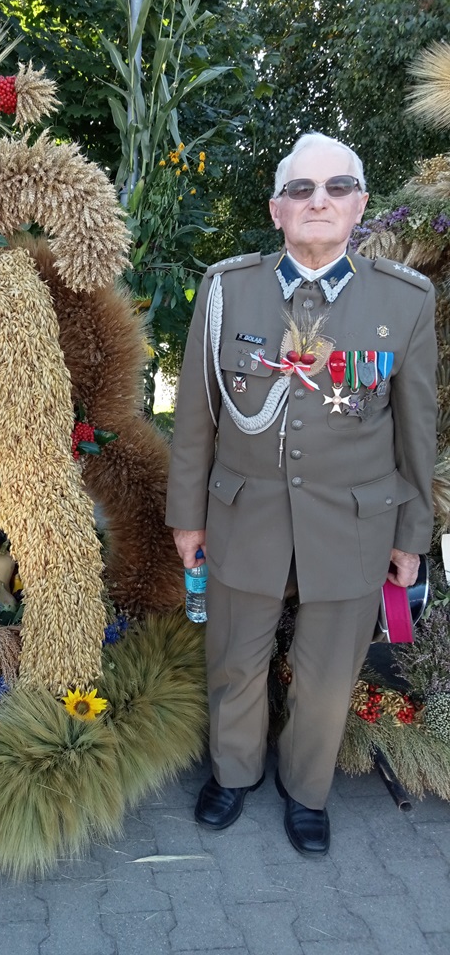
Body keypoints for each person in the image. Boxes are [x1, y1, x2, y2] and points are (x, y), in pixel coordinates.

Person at [166, 132, 437, 856]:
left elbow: (417, 430)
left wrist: (413, 536)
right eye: (302, 190)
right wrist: (185, 517)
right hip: (242, 515)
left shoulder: (404, 302)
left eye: (337, 188)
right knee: (235, 658)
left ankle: (307, 792)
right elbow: (196, 415)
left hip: (354, 522)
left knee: (326, 674)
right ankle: (233, 772)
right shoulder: (228, 291)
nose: (319, 201)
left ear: (360, 208)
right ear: (277, 211)